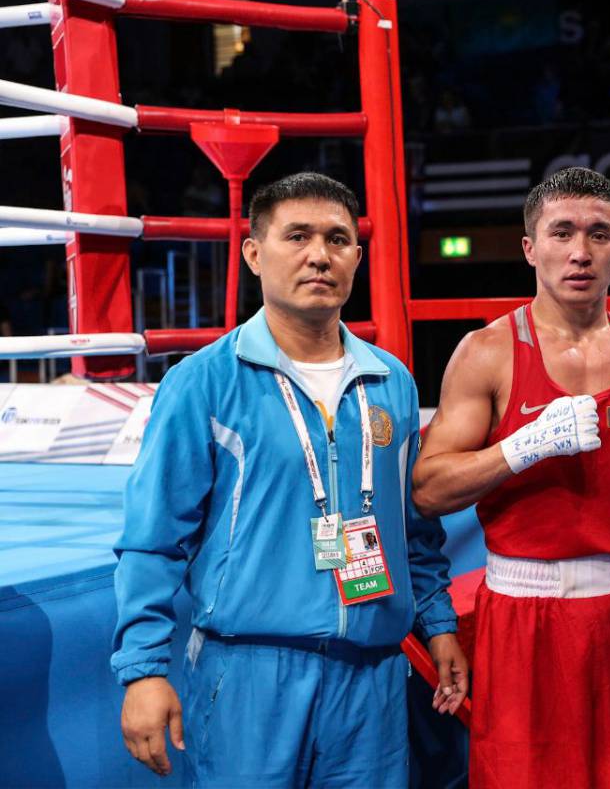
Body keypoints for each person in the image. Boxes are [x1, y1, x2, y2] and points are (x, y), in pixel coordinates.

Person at [112, 172, 468, 787]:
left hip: (372, 680)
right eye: (297, 236)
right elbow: (153, 537)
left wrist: (437, 625)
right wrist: (143, 669)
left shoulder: (393, 382)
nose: (319, 255)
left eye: (337, 239)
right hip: (248, 672)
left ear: (357, 257)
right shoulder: (203, 382)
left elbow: (415, 529)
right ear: (254, 253)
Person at [412, 167, 610, 788]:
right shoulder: (487, 352)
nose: (580, 252)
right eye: (562, 233)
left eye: (597, 234)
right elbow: (428, 490)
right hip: (523, 614)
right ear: (530, 248)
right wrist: (521, 447)